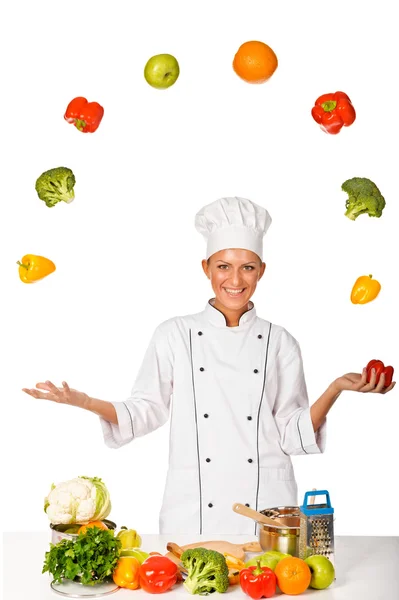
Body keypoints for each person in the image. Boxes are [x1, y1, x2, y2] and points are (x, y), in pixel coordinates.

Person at [23, 197, 395, 536]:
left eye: (247, 267)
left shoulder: (280, 342)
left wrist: (334, 389)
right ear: (206, 267)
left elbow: (292, 432)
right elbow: (146, 410)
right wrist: (85, 402)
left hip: (265, 509)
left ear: (262, 270)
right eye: (223, 266)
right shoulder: (174, 334)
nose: (235, 280)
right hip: (194, 511)